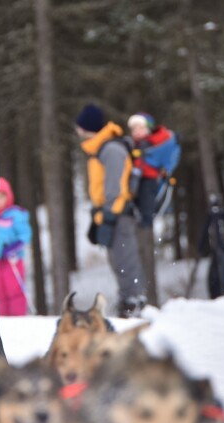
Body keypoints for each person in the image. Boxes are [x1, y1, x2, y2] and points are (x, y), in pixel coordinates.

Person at [75, 104, 146, 318]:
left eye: (79, 126)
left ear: (88, 127)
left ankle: (134, 301)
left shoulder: (111, 149)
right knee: (118, 260)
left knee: (125, 258)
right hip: (110, 213)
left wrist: (108, 215)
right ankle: (129, 300)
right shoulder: (100, 148)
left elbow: (116, 187)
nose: (77, 130)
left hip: (119, 214)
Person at [127, 112, 181, 306]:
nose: (136, 132)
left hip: (148, 180)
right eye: (134, 129)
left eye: (140, 128)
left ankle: (145, 219)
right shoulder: (138, 145)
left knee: (146, 206)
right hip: (141, 180)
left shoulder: (151, 145)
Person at [0, 177, 32, 315]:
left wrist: (13, 247)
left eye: (1, 197)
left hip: (12, 260)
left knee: (14, 289)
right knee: (0, 290)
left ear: (8, 197)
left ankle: (18, 315)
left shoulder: (15, 214)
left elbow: (25, 235)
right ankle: (5, 318)